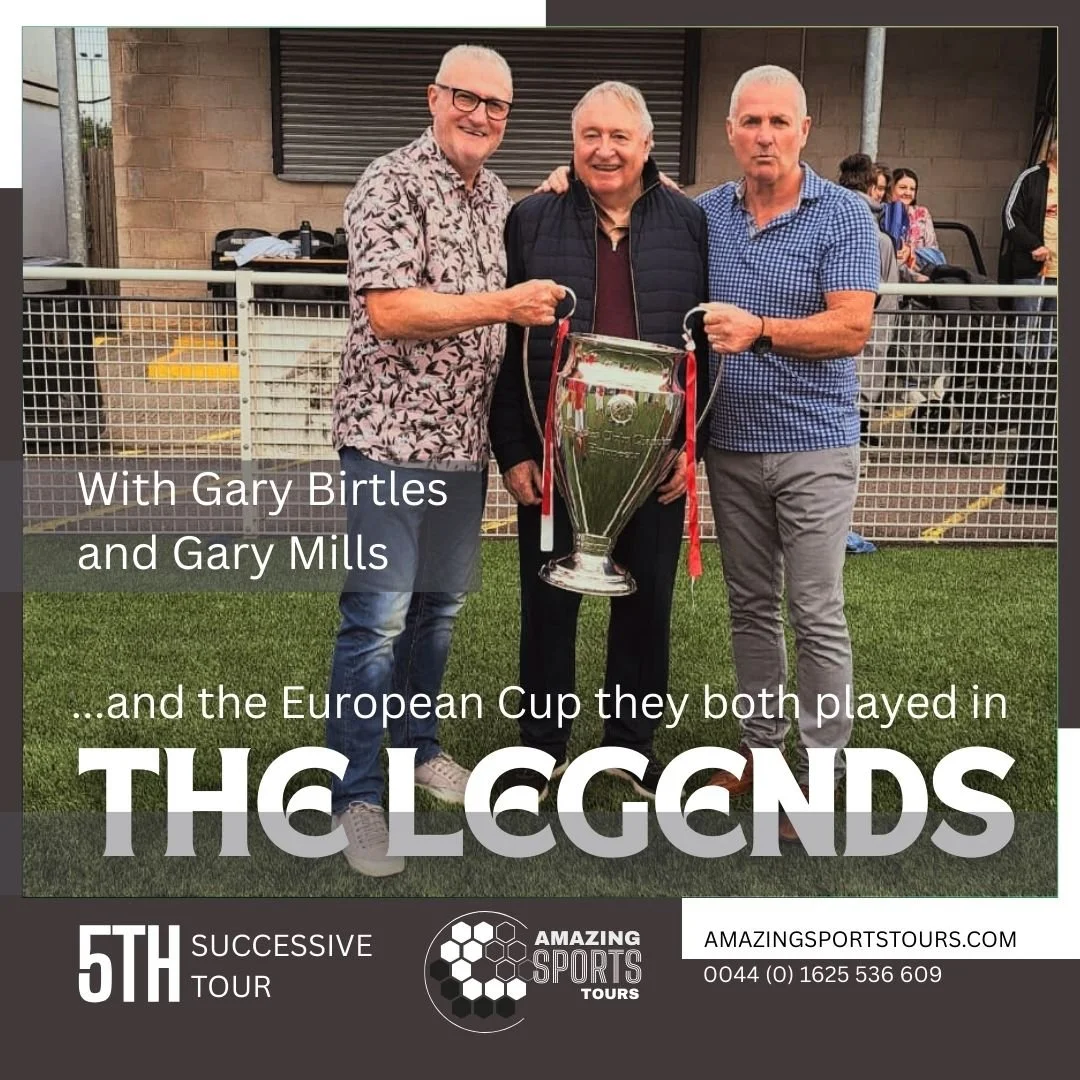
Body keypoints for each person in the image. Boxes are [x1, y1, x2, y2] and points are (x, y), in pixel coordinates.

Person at [327, 44, 565, 876]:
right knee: (378, 619)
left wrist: (557, 192)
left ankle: (417, 749)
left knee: (438, 612)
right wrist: (503, 306)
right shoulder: (388, 184)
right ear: (434, 97)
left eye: (498, 105)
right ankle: (356, 798)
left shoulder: (496, 195)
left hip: (461, 447)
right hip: (389, 441)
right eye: (468, 98)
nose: (482, 115)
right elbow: (390, 311)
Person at [489, 81, 710, 800]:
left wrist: (690, 445)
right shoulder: (530, 220)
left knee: (645, 606)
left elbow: (713, 342)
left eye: (620, 136)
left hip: (654, 460)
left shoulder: (692, 224)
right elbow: (502, 344)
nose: (604, 149)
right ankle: (540, 750)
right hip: (557, 457)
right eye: (590, 135)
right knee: (548, 603)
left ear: (648, 146)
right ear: (572, 143)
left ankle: (628, 748)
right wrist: (515, 447)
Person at [695, 65, 879, 843]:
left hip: (815, 447)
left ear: (805, 132)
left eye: (779, 122)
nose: (764, 135)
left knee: (816, 611)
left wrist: (760, 328)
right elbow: (629, 205)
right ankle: (762, 752)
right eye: (751, 122)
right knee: (750, 609)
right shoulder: (704, 214)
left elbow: (851, 328)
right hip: (729, 447)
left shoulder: (843, 216)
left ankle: (819, 770)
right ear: (731, 132)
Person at [837, 152, 900, 445]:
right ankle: (858, 431)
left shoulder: (832, 213)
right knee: (867, 365)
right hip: (873, 315)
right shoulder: (875, 232)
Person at [1000, 136, 1058, 360]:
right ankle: (1020, 381)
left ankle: (1045, 384)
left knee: (1053, 332)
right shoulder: (1031, 177)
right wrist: (1033, 245)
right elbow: (1010, 216)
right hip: (1033, 269)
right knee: (1025, 328)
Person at [890, 166, 943, 277]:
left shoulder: (922, 213)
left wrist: (911, 252)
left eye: (912, 189)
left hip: (922, 270)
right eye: (903, 187)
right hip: (893, 271)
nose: (908, 192)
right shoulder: (884, 212)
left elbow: (934, 251)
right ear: (891, 188)